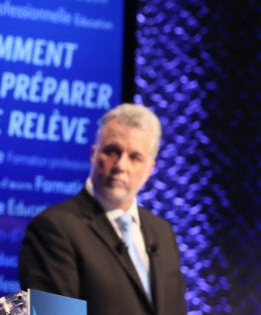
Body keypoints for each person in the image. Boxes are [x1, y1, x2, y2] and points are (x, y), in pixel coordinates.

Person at [18, 104, 186, 315]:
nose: (121, 165)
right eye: (112, 151)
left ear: (150, 169)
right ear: (94, 154)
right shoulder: (53, 228)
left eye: (135, 157)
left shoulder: (163, 233)